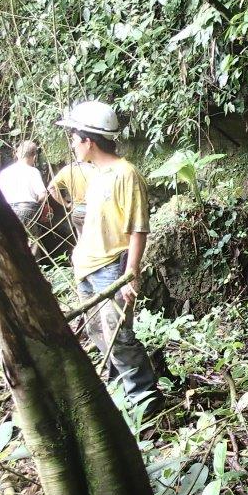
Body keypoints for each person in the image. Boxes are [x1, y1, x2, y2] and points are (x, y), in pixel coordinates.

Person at [56, 100, 159, 415]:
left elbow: (138, 228)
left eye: (75, 139)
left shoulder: (126, 174)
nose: (72, 145)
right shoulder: (96, 174)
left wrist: (131, 274)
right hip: (87, 269)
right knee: (97, 332)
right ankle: (120, 393)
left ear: (89, 141)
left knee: (120, 336)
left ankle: (145, 402)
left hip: (112, 268)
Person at [0, 140, 49, 230]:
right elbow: (43, 195)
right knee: (31, 237)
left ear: (17, 154)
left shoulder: (4, 173)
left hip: (8, 210)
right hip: (27, 209)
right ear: (34, 157)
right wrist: (38, 203)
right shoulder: (33, 171)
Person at [48, 160, 95, 239]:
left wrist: (67, 204)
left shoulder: (66, 170)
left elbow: (51, 188)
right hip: (93, 212)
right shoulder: (93, 168)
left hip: (77, 213)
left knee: (82, 241)